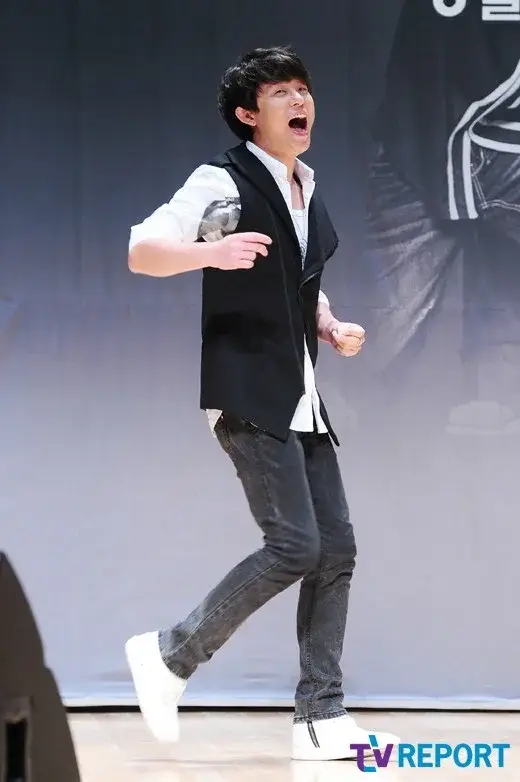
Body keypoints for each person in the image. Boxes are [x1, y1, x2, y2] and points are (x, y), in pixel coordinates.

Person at [125, 46, 398, 761]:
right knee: (295, 546)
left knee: (336, 549)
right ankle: (170, 653)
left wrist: (328, 325)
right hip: (247, 387)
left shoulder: (306, 186)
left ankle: (321, 717)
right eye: (281, 92)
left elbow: (298, 282)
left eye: (303, 89)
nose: (300, 101)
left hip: (299, 390)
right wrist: (208, 254)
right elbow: (143, 250)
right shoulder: (221, 180)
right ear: (249, 114)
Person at [366, 0, 520, 431]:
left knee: (503, 331)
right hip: (421, 138)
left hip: (485, 140)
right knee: (379, 333)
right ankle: (365, 438)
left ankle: (494, 423)